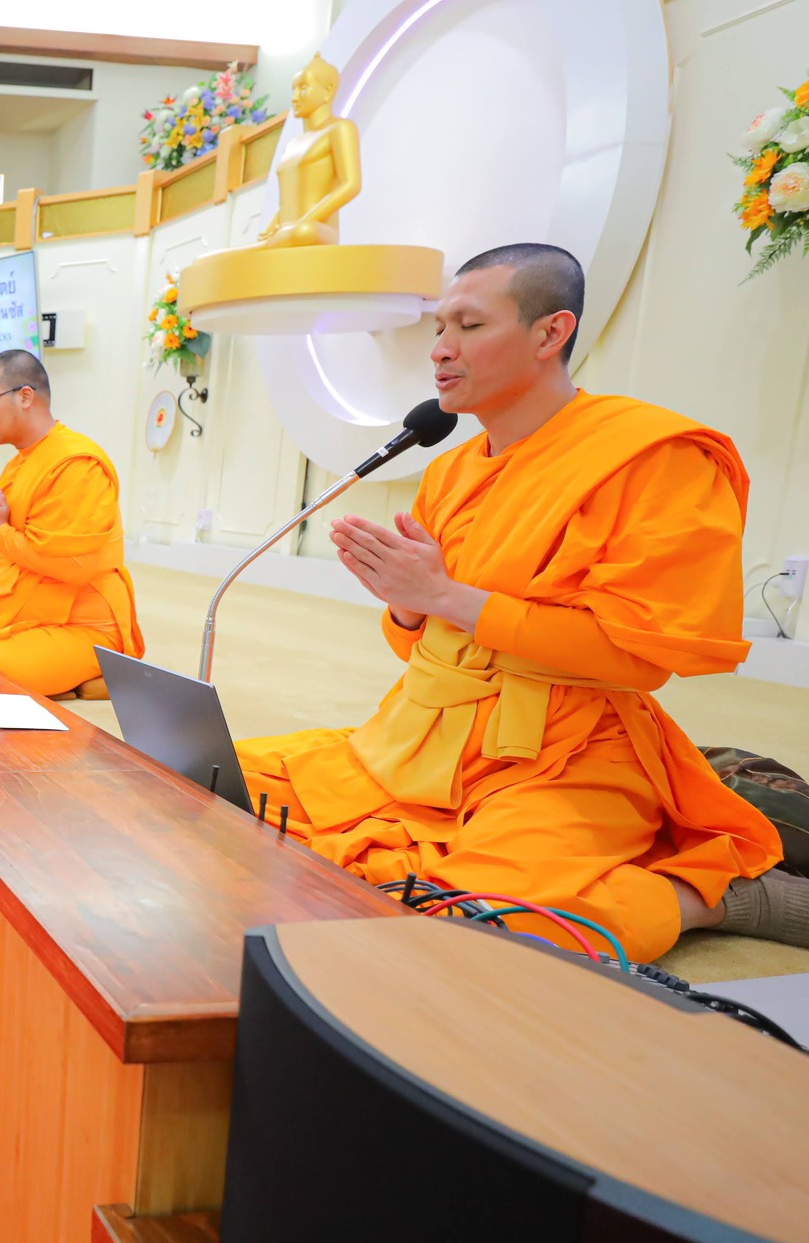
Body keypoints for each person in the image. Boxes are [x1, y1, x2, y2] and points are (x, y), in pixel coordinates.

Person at [238, 242, 803, 963]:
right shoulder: (449, 469)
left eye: (468, 327)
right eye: (439, 327)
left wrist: (444, 594)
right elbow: (434, 648)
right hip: (421, 744)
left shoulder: (653, 456)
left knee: (476, 927)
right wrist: (408, 606)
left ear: (549, 333)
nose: (441, 349)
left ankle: (708, 897)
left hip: (565, 753)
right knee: (208, 779)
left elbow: (637, 659)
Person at [0, 351, 145, 696]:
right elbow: (4, 561)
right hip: (16, 610)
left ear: (25, 396)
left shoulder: (77, 463)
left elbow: (70, 566)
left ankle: (100, 667)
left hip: (79, 622)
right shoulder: (17, 466)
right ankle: (58, 678)